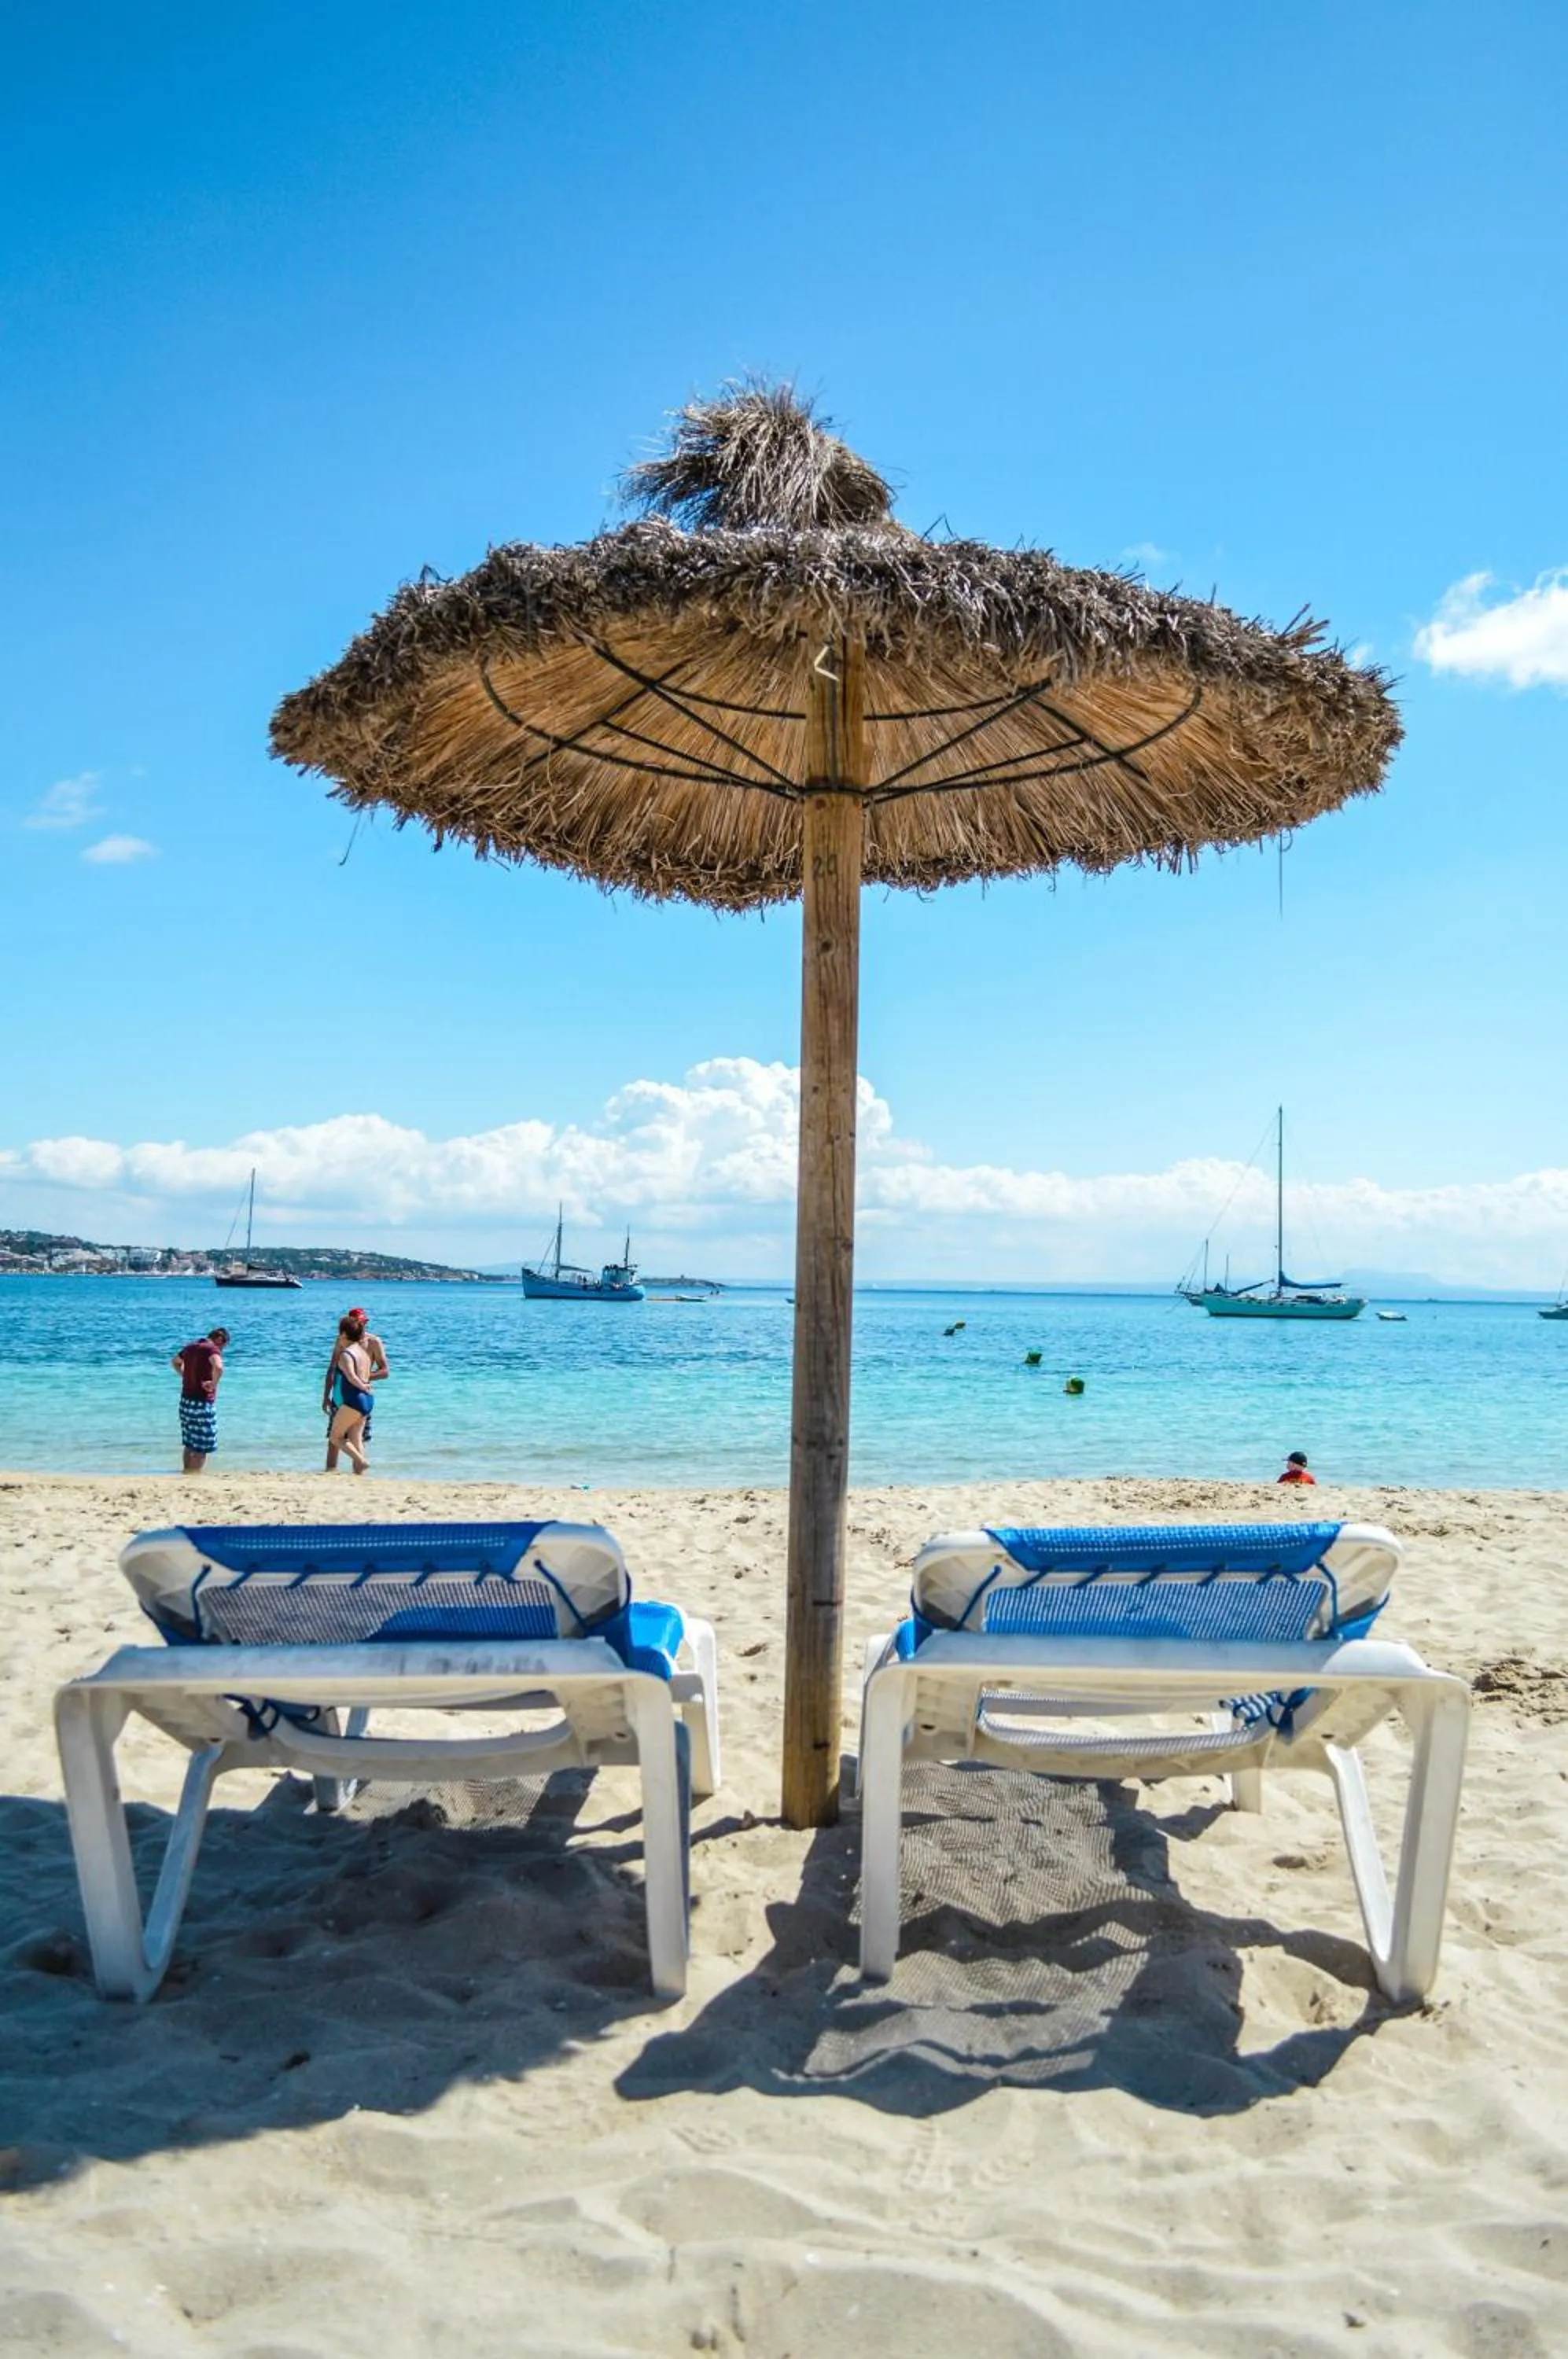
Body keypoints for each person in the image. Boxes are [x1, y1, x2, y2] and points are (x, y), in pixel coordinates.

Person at [322, 1308, 388, 1470]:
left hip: (357, 1395)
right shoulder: (341, 1342)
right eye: (357, 1323)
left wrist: (363, 1379)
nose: (361, 1326)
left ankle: (359, 1472)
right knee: (339, 1440)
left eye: (362, 1323)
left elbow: (384, 1371)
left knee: (354, 1438)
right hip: (344, 1395)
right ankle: (331, 1473)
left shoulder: (373, 1342)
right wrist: (326, 1396)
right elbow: (332, 1370)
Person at [171, 1327, 229, 1474]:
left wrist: (184, 1375)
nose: (222, 1350)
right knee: (202, 1445)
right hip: (202, 1402)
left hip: (185, 1402)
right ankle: (195, 1475)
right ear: (219, 1340)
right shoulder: (211, 1349)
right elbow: (219, 1367)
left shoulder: (190, 1347)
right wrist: (213, 1384)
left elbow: (175, 1362)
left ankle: (186, 1472)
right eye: (223, 1346)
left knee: (190, 1442)